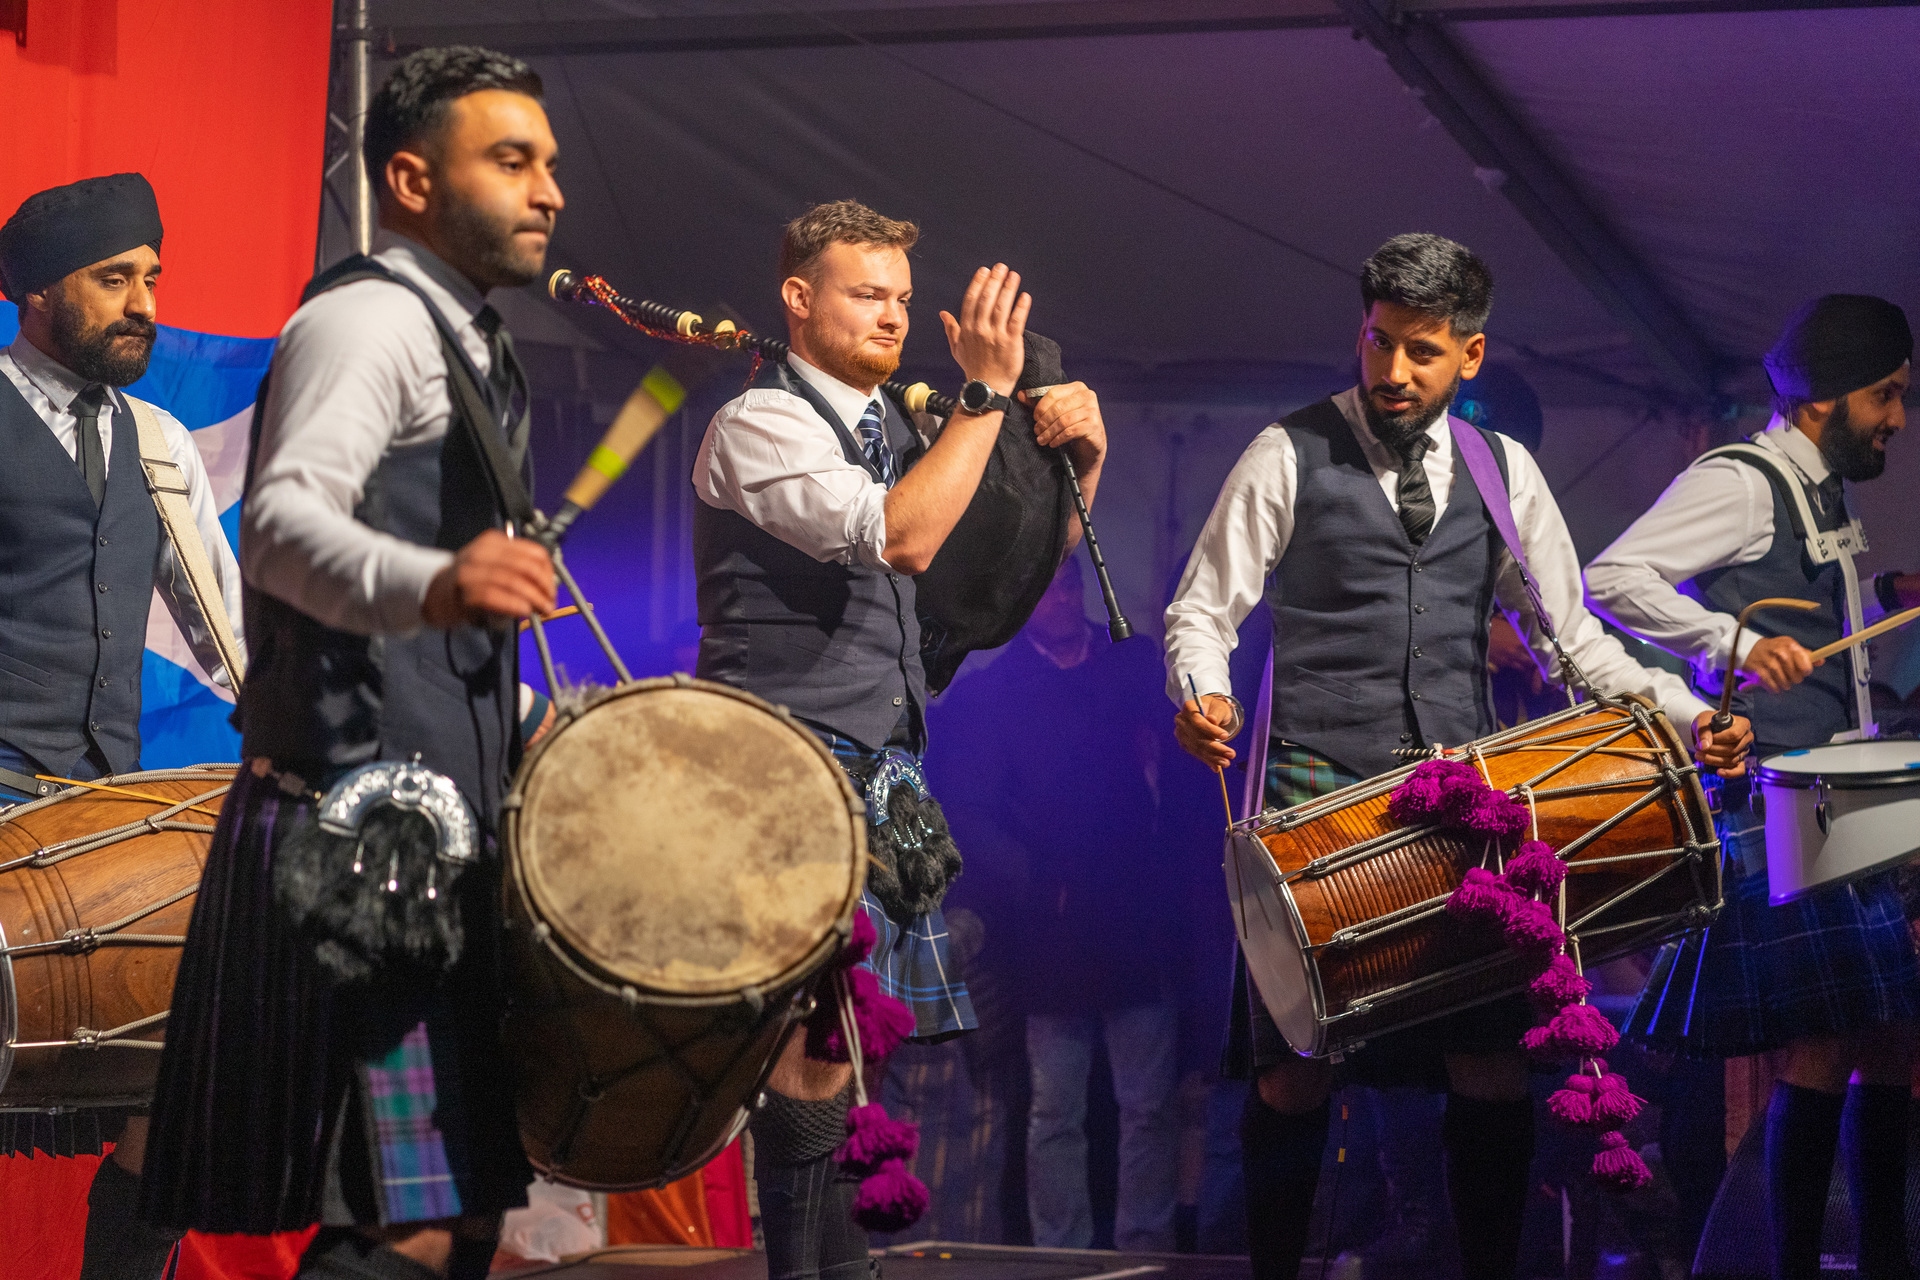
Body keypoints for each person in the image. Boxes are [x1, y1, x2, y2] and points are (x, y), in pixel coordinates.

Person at [1163, 232, 1752, 1280]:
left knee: (1488, 1067)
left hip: (1459, 800)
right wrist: (1201, 690)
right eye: (1379, 343)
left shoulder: (1504, 470)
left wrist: (1687, 706)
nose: (1392, 372)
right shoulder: (1284, 451)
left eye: (1422, 353)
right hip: (1318, 793)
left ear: (1469, 357)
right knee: (1293, 1071)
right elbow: (1203, 611)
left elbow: (1574, 641)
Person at [140, 46, 563, 1280]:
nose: (549, 192)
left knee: (460, 1209)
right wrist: (440, 579)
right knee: (408, 1217)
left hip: (427, 822)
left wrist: (553, 716)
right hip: (366, 830)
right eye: (512, 160)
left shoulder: (468, 339)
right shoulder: (370, 318)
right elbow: (277, 525)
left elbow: (436, 633)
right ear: (409, 179)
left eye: (549, 164)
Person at [691, 199, 1107, 1278]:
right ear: (798, 298)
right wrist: (984, 397)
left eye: (903, 301)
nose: (892, 317)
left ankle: (844, 1269)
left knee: (844, 1051)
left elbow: (1010, 564)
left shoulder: (909, 434)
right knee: (806, 1048)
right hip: (779, 766)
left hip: (876, 766)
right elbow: (908, 535)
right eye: (866, 294)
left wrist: (1081, 463)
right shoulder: (761, 424)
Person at [1587, 294, 1918, 1280]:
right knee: (1826, 1043)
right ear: (1826, 399)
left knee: (1893, 1040)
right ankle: (1795, 1262)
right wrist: (1729, 643)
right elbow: (1616, 574)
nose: (1899, 417)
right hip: (1782, 799)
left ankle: (1883, 1258)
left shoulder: (1821, 490)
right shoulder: (1744, 482)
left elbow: (1804, 612)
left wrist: (1887, 598)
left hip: (1839, 792)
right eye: (1887, 395)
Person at [0, 171, 244, 1280]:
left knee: (180, 1093)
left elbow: (227, 632)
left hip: (106, 824)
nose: (144, 299)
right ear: (36, 290)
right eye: (115, 278)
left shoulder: (158, 440)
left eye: (152, 275)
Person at [934, 555, 1180, 1252]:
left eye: (1071, 583)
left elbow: (1180, 771)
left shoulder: (1130, 665)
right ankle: (1061, 1253)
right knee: (1054, 1109)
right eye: (1048, 588)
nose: (1064, 598)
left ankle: (1148, 1246)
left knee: (1147, 1104)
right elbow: (970, 810)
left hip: (1136, 909)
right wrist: (1036, 882)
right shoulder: (995, 692)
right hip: (1051, 927)